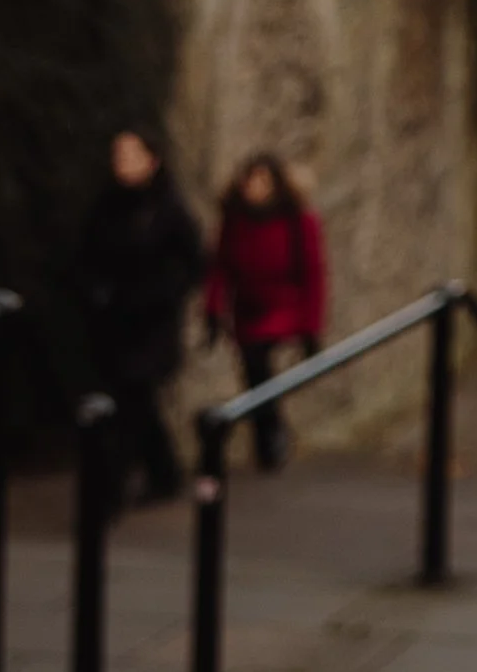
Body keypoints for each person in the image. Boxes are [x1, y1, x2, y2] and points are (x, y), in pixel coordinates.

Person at [74, 130, 206, 511]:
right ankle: (164, 470)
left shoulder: (167, 208)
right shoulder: (106, 205)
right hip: (114, 322)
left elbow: (192, 261)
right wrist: (95, 292)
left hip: (153, 324)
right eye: (118, 154)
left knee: (133, 399)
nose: (122, 162)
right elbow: (86, 255)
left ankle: (111, 488)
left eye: (132, 155)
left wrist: (164, 293)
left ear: (152, 160)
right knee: (134, 401)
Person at [202, 156, 329, 471]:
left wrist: (311, 328)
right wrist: (213, 308)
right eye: (250, 181)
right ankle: (267, 438)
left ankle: (272, 438)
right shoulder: (236, 221)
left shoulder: (298, 221)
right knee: (253, 373)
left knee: (259, 364)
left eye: (262, 182)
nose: (255, 189)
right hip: (247, 311)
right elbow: (221, 268)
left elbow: (313, 275)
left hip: (282, 309)